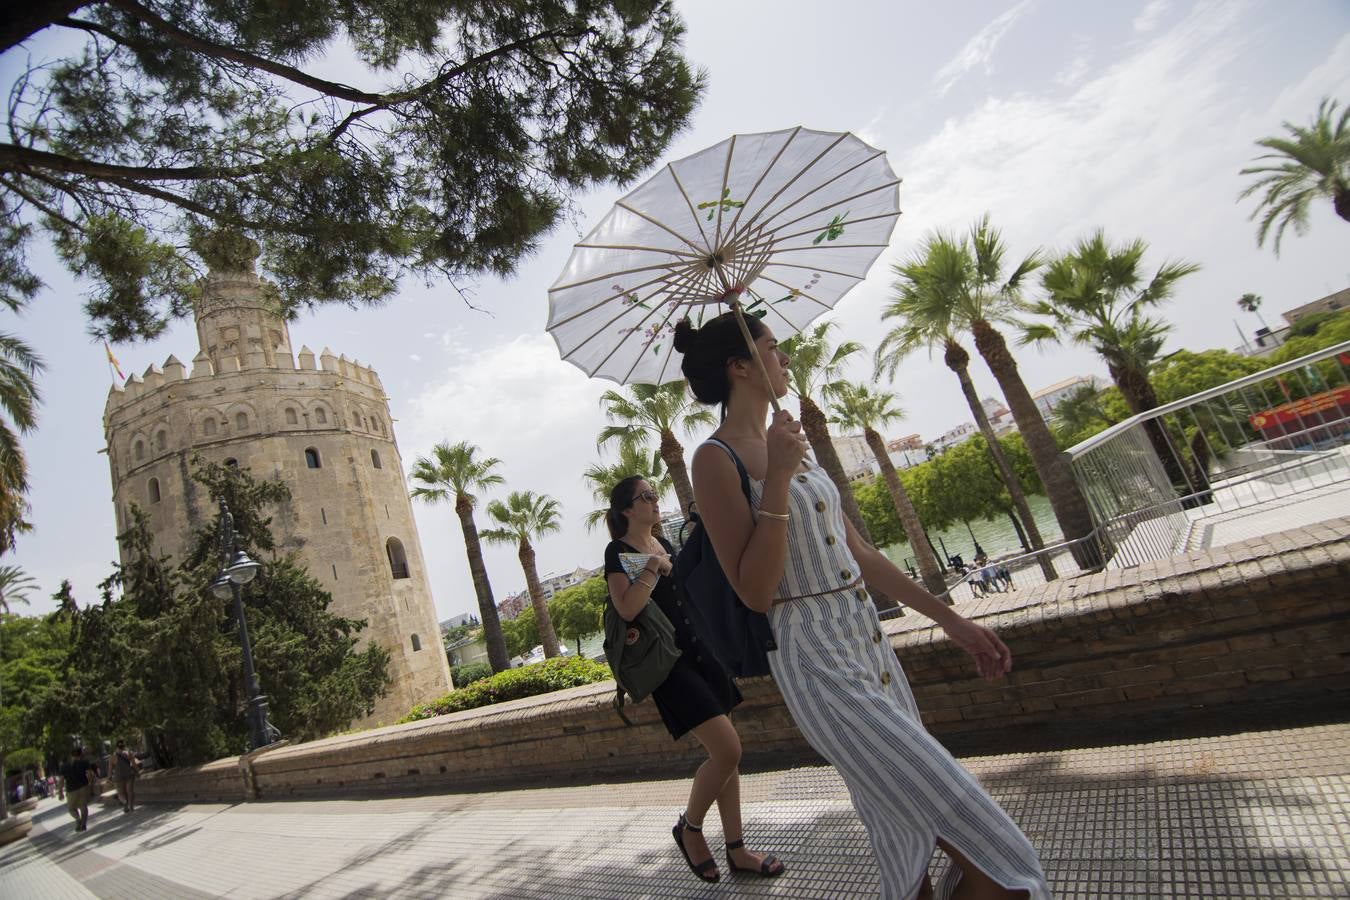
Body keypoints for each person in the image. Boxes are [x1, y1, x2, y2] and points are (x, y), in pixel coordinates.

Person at [677, 310, 1049, 900]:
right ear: (740, 366)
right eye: (774, 348)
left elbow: (860, 554)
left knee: (899, 822)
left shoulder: (791, 441)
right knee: (981, 834)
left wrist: (952, 620)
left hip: (868, 642)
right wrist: (775, 477)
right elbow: (754, 589)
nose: (785, 359)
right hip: (813, 660)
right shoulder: (713, 459)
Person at [603, 476, 784, 884]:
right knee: (728, 751)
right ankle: (690, 827)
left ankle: (737, 850)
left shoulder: (664, 543)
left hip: (703, 654)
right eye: (646, 497)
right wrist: (652, 568)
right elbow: (628, 608)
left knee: (728, 759)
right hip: (670, 667)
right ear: (627, 510)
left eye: (654, 495)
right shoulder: (619, 553)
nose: (655, 501)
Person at [60, 746, 99, 833]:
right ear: (81, 754)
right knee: (83, 806)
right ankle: (83, 824)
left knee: (71, 808)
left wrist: (60, 792)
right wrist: (91, 786)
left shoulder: (64, 766)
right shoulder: (84, 762)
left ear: (71, 755)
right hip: (83, 787)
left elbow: (61, 780)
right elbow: (90, 775)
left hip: (71, 790)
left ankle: (78, 819)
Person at [113, 740, 141, 813]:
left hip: (118, 775)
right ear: (124, 746)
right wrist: (137, 771)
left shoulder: (113, 756)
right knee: (130, 791)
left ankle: (124, 802)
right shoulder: (129, 753)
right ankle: (131, 807)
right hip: (129, 774)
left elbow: (110, 769)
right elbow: (133, 764)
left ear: (116, 746)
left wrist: (109, 777)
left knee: (120, 793)